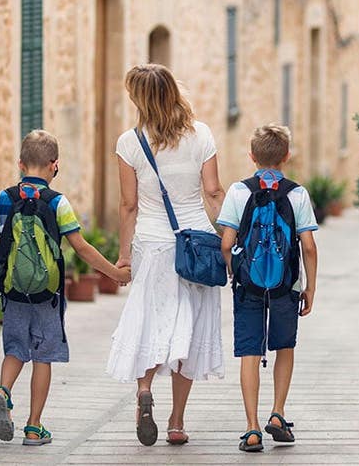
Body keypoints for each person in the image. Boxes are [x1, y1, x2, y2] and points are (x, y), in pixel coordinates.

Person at [0, 129, 131, 445]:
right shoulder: (58, 203)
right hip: (48, 295)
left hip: (13, 291)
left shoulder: (4, 198)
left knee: (15, 349)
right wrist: (114, 272)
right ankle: (34, 426)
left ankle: (3, 391)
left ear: (20, 163)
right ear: (54, 166)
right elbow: (81, 247)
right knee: (43, 357)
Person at [106, 64, 226, 446]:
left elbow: (128, 205)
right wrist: (227, 237)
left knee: (151, 323)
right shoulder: (201, 134)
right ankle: (176, 422)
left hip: (152, 245)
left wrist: (124, 256)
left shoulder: (130, 142)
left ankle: (144, 391)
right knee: (187, 333)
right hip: (196, 245)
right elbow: (213, 192)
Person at [218, 124, 319, 453]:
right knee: (284, 347)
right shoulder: (297, 193)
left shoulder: (238, 191)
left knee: (250, 353)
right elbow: (309, 246)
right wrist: (309, 288)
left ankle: (251, 428)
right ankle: (278, 413)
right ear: (287, 156)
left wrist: (237, 274)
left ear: (251, 156)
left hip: (248, 286)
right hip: (285, 287)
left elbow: (227, 242)